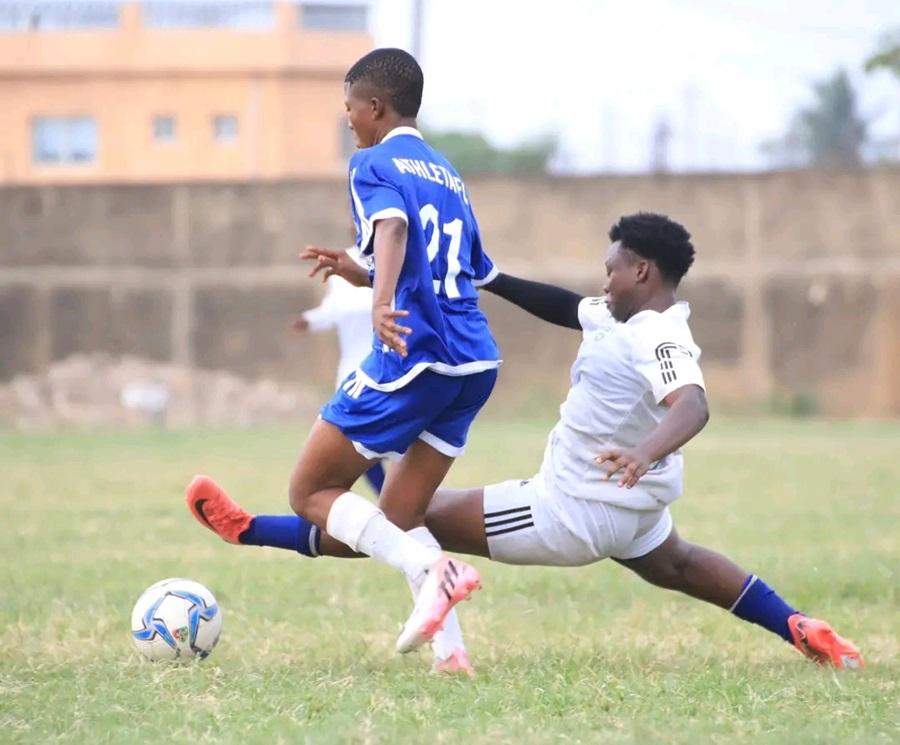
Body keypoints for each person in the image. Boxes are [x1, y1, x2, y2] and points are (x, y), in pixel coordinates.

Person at [188, 212, 864, 670]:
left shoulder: (660, 333)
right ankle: (802, 627)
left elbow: (692, 403)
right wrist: (491, 277)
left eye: (613, 268)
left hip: (570, 508)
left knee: (404, 513)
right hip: (631, 510)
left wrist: (644, 451)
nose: (603, 279)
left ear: (645, 273)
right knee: (682, 565)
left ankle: (252, 528)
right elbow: (565, 305)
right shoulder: (617, 314)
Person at [188, 47, 501, 668]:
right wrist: (356, 274)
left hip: (415, 353)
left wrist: (380, 301)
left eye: (350, 108)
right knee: (401, 512)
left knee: (311, 490)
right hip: (474, 363)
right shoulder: (446, 172)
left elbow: (394, 231)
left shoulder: (371, 162)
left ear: (376, 107)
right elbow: (463, 268)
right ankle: (452, 652)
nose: (348, 119)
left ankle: (430, 570)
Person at [292, 273, 385, 494]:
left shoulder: (392, 258)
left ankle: (405, 503)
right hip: (353, 376)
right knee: (356, 442)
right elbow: (331, 311)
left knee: (398, 441)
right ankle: (388, 498)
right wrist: (309, 319)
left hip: (389, 371)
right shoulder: (342, 274)